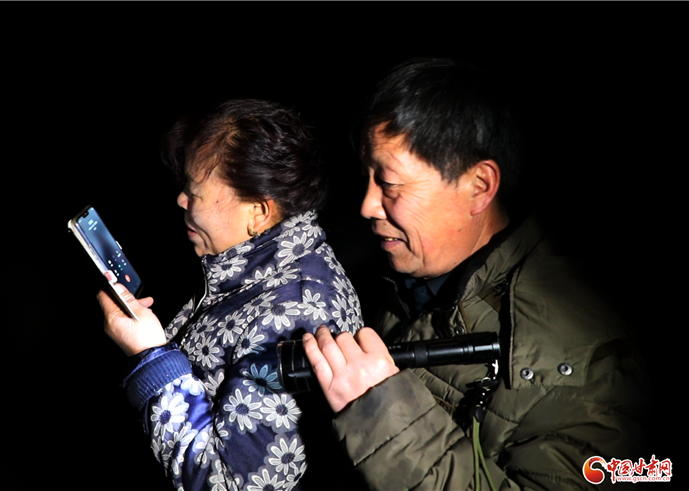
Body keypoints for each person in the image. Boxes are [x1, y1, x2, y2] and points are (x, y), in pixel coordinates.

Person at [302, 58, 648, 490]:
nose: (368, 205)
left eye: (389, 184)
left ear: (479, 186)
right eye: (367, 179)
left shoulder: (583, 360)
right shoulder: (408, 280)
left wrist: (379, 411)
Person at [97, 99, 363, 491]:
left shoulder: (293, 317)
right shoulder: (256, 264)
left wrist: (152, 357)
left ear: (257, 211)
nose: (181, 200)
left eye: (195, 192)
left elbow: (226, 483)